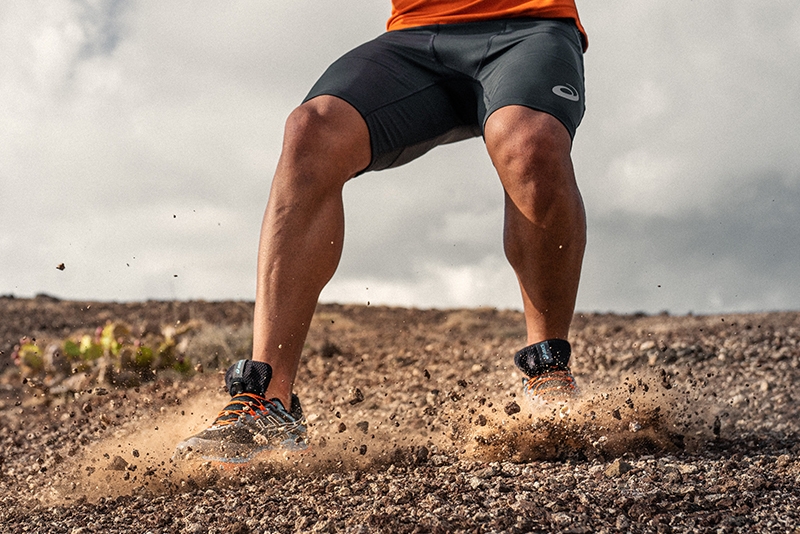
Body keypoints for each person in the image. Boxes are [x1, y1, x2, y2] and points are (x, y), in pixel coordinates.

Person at [175, 0, 588, 464]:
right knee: (311, 130)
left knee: (531, 140)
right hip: (415, 37)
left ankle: (549, 372)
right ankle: (267, 402)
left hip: (529, 29)